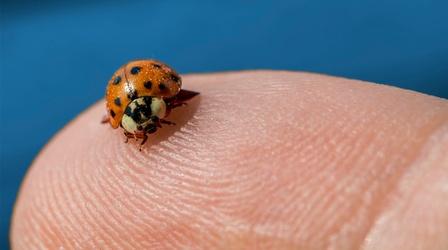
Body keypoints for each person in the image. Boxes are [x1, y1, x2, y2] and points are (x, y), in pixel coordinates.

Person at [11, 71, 448, 249]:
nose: (147, 129)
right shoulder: (135, 111)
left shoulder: (151, 102)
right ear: (124, 119)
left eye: (148, 122)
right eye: (139, 127)